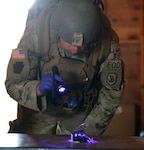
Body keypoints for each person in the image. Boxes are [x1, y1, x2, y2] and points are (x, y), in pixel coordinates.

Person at [5, 0, 125, 136]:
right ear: (57, 32)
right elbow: (13, 83)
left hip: (81, 111)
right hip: (38, 111)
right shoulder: (36, 33)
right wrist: (37, 89)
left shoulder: (107, 40)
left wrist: (90, 128)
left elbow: (112, 93)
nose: (75, 49)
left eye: (82, 44)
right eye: (69, 42)